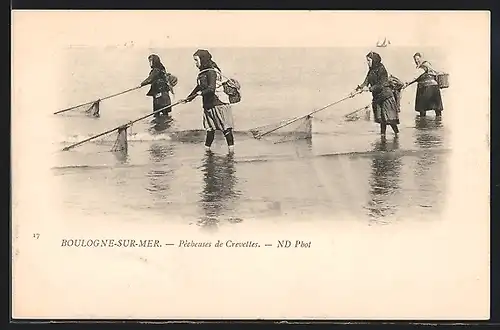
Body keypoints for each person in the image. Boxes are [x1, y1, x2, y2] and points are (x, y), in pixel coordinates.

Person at [180, 49, 235, 153]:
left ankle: (231, 152)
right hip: (208, 105)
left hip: (218, 104)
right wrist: (188, 98)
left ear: (203, 59)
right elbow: (198, 87)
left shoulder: (211, 71)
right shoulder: (202, 73)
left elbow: (211, 88)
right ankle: (207, 151)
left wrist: (201, 93)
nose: (196, 63)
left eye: (197, 60)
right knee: (210, 129)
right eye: (194, 61)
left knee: (226, 129)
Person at [355, 51, 400, 137]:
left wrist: (369, 89)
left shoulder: (381, 69)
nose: (367, 63)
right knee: (381, 119)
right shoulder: (371, 70)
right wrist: (358, 89)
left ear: (374, 60)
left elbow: (382, 84)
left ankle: (396, 135)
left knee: (390, 119)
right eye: (367, 61)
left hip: (386, 95)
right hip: (377, 97)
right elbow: (366, 82)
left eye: (369, 60)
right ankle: (383, 136)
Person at [404, 52, 443, 118]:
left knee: (422, 108)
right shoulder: (428, 66)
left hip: (426, 89)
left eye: (418, 59)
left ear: (421, 58)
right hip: (434, 88)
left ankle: (422, 125)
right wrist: (407, 84)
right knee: (437, 109)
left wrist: (406, 82)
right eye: (415, 60)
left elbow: (415, 76)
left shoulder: (423, 66)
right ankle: (438, 123)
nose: (416, 61)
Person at [140, 54, 173, 119]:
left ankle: (158, 126)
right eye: (149, 61)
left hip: (160, 97)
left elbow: (150, 79)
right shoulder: (162, 69)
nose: (149, 63)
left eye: (150, 61)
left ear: (154, 61)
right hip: (163, 96)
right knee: (165, 116)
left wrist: (141, 84)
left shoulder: (156, 70)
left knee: (157, 115)